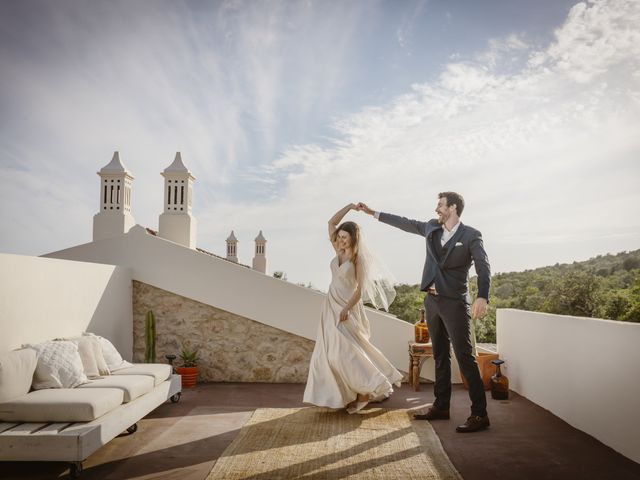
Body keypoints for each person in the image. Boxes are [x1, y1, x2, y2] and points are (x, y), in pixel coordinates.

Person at [357, 192, 491, 432]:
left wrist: (482, 295)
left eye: (440, 205)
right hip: (432, 302)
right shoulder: (431, 228)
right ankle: (441, 407)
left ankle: (480, 415)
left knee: (465, 358)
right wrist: (373, 213)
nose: (436, 209)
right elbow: (405, 223)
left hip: (455, 304)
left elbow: (483, 267)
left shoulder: (471, 235)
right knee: (440, 355)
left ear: (453, 208)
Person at [303, 203, 403, 413]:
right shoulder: (336, 250)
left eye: (344, 237)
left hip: (348, 307)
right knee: (328, 352)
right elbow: (331, 222)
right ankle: (343, 395)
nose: (340, 240)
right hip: (330, 305)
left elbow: (359, 290)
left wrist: (347, 308)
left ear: (353, 239)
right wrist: (350, 206)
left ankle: (367, 389)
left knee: (347, 352)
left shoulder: (358, 260)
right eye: (339, 237)